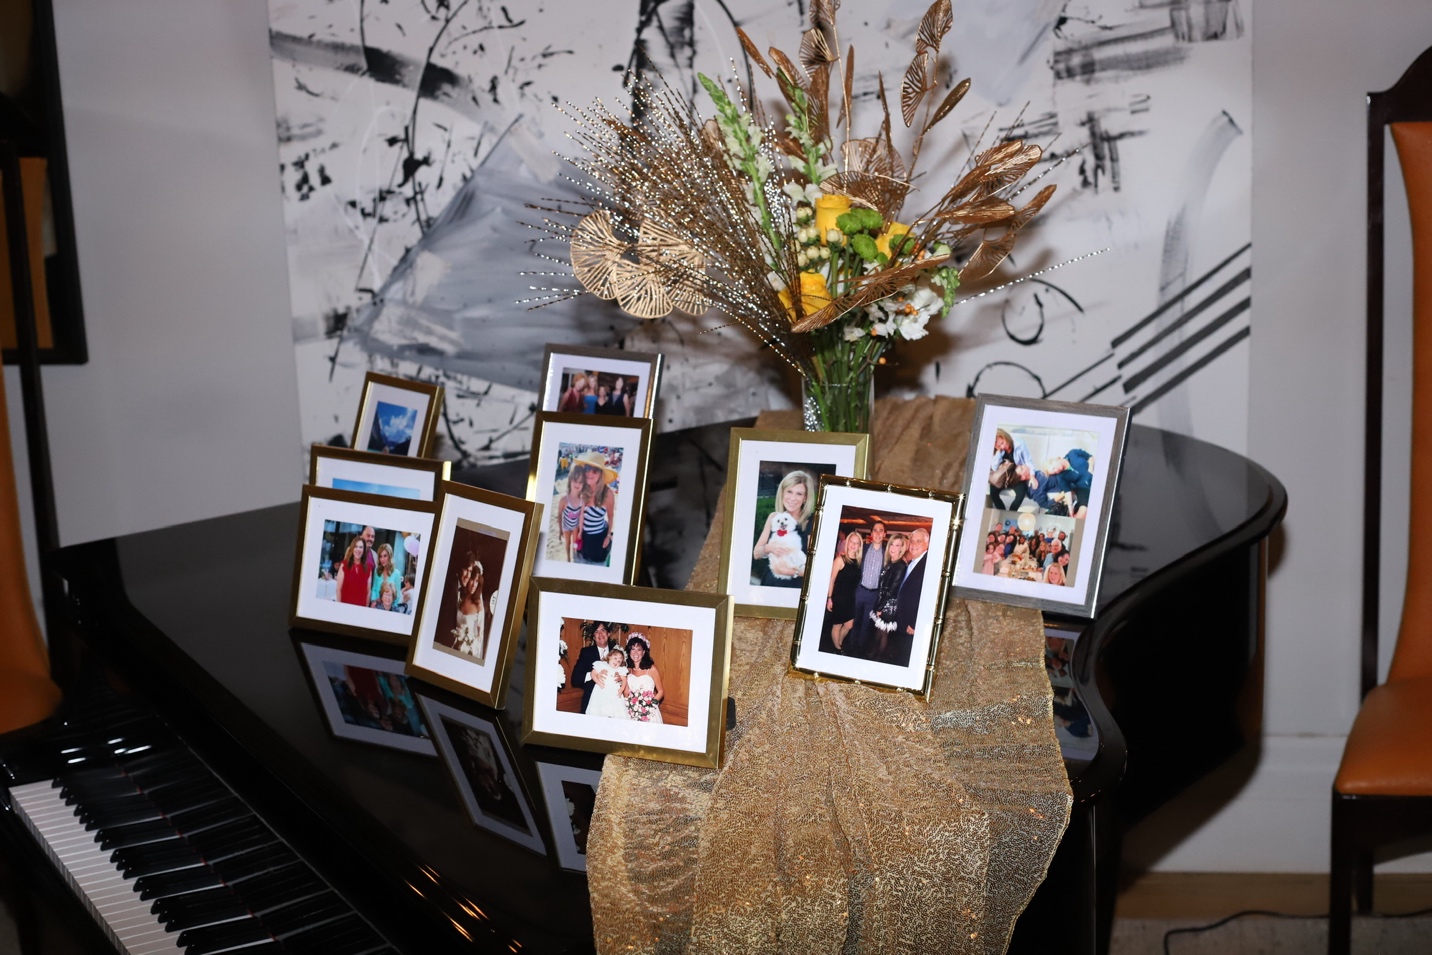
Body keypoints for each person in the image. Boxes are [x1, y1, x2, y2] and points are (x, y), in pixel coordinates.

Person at [752, 470, 815, 587]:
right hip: (770, 583)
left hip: (796, 587)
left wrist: (788, 572)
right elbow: (756, 553)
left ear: (805, 498)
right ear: (782, 493)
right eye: (789, 492)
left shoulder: (812, 522)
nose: (792, 498)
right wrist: (770, 548)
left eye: (799, 494)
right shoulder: (774, 517)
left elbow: (815, 567)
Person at [887, 527, 930, 667]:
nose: (914, 544)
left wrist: (914, 622)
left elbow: (926, 597)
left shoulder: (928, 565)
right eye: (912, 541)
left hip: (910, 624)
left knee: (905, 659)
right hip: (902, 618)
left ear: (927, 544)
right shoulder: (913, 562)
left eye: (918, 541)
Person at [573, 451, 618, 565]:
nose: (590, 473)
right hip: (584, 535)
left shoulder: (608, 494)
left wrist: (608, 536)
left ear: (601, 474)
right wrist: (579, 532)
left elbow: (611, 516)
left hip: (599, 537)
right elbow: (581, 513)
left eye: (595, 470)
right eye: (587, 468)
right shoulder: (582, 489)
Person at [850, 522, 887, 657]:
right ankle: (851, 646)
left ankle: (859, 649)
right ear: (871, 533)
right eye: (875, 530)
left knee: (866, 624)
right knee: (855, 621)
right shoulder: (863, 549)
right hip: (860, 591)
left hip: (873, 595)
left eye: (880, 531)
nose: (877, 533)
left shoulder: (887, 554)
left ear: (884, 534)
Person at [869, 533, 909, 659]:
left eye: (897, 545)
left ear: (902, 548)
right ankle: (875, 653)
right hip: (883, 602)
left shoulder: (900, 565)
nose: (893, 547)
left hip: (888, 605)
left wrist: (880, 607)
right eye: (892, 544)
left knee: (883, 633)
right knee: (879, 631)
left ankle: (877, 658)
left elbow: (891, 590)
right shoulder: (892, 562)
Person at [824, 531, 864, 653]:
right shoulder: (840, 559)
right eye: (852, 541)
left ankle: (839, 643)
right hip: (839, 598)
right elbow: (831, 580)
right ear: (847, 542)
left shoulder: (859, 561)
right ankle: (837, 648)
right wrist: (829, 598)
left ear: (859, 546)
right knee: (837, 625)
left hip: (851, 598)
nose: (853, 545)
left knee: (849, 625)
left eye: (857, 543)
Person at [572, 621, 615, 713]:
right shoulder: (586, 653)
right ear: (593, 637)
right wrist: (593, 675)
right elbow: (575, 679)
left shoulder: (617, 651)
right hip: (592, 702)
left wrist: (620, 678)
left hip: (613, 702)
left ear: (608, 633)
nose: (600, 634)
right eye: (596, 631)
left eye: (603, 630)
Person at [451, 557, 487, 660]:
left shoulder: (478, 604)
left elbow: (480, 636)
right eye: (472, 579)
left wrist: (470, 649)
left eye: (477, 582)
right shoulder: (459, 598)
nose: (474, 585)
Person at [623, 633, 665, 723]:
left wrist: (648, 706)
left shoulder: (652, 669)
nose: (635, 653)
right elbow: (626, 692)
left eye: (639, 650)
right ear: (629, 651)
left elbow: (661, 691)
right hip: (632, 712)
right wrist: (632, 706)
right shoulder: (627, 670)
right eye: (633, 649)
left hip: (650, 712)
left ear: (644, 652)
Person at [989, 429, 1034, 511]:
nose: (1002, 447)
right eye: (999, 446)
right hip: (1001, 477)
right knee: (993, 494)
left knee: (1020, 495)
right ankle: (1002, 512)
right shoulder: (998, 450)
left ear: (1005, 437)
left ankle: (1011, 512)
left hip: (1016, 477)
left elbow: (1028, 462)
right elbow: (994, 467)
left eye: (1002, 443)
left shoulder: (1019, 444)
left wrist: (1032, 477)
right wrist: (999, 451)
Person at [585, 646, 630, 720]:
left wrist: (621, 689)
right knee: (599, 711)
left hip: (614, 693)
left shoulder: (620, 669)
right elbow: (593, 674)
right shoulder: (602, 665)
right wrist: (599, 683)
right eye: (615, 658)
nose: (616, 662)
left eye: (619, 661)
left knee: (615, 712)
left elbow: (624, 680)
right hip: (601, 691)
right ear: (609, 656)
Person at [559, 464, 586, 562]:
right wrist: (560, 529)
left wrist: (580, 531)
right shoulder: (564, 500)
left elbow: (581, 516)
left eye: (580, 482)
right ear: (570, 480)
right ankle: (568, 557)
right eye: (575, 480)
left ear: (583, 484)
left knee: (575, 542)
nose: (577, 484)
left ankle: (574, 553)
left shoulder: (581, 501)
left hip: (575, 527)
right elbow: (559, 514)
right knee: (567, 543)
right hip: (566, 527)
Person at [335, 535, 372, 606]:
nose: (358, 549)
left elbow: (368, 592)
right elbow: (338, 590)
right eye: (356, 546)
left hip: (361, 608)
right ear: (352, 548)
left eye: (361, 547)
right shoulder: (344, 565)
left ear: (364, 550)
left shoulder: (368, 568)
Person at [369, 543, 401, 608]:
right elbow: (374, 589)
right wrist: (374, 600)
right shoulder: (377, 570)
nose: (382, 559)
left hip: (389, 607)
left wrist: (388, 605)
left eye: (385, 556)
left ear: (390, 556)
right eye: (380, 556)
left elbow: (397, 596)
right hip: (376, 605)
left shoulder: (397, 573)